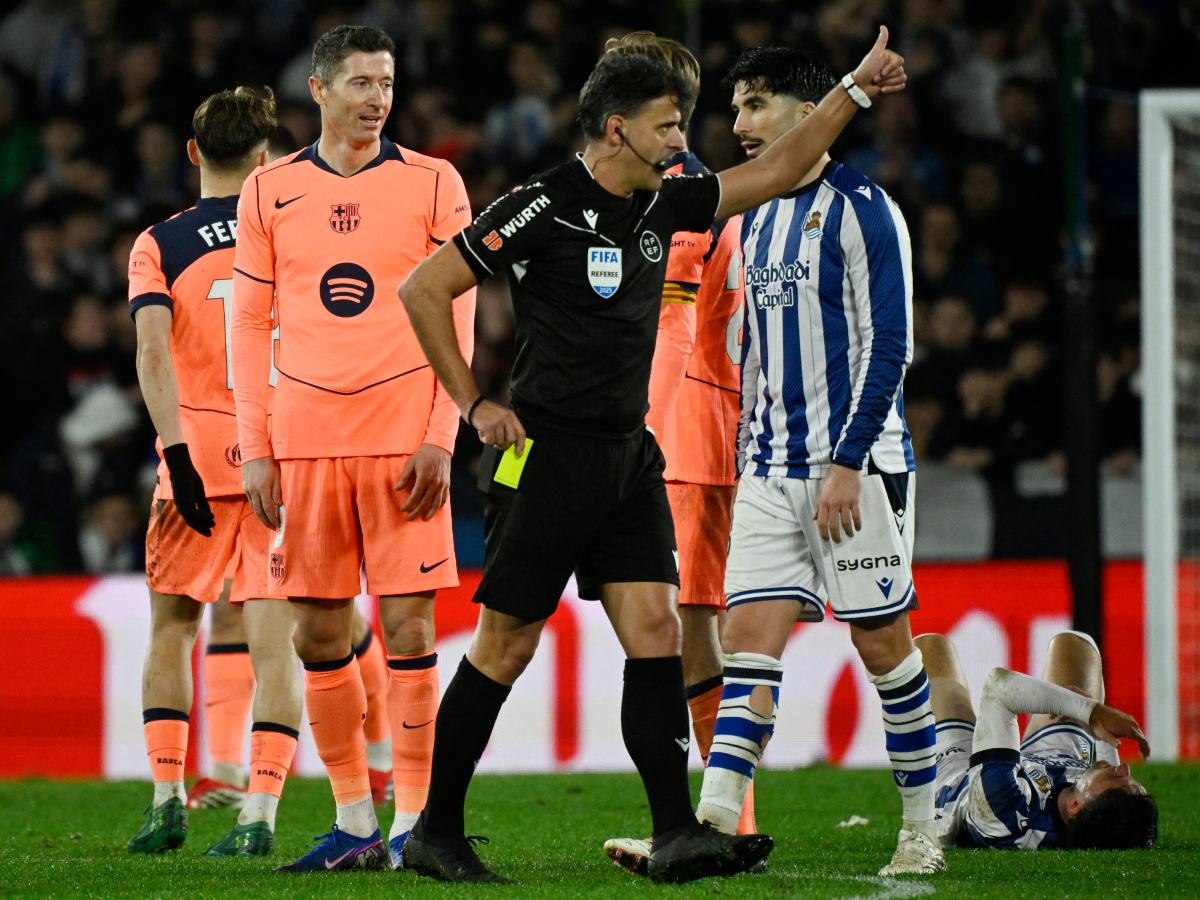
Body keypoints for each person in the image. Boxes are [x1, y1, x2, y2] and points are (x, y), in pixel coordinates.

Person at [398, 29, 907, 884]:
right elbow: (424, 288)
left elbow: (777, 171)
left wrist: (852, 90)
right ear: (615, 129)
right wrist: (474, 404)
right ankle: (434, 830)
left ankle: (676, 829)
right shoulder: (542, 204)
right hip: (544, 457)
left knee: (655, 632)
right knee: (505, 647)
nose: (683, 141)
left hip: (628, 458)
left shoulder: (665, 202)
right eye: (668, 126)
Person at [230, 24, 475, 873]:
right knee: (319, 636)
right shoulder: (269, 192)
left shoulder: (435, 182)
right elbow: (248, 322)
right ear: (320, 88)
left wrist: (445, 431)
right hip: (303, 443)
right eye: (362, 82)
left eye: (388, 83)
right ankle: (353, 822)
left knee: (408, 625)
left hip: (405, 437)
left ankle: (413, 820)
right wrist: (252, 447)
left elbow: (460, 312)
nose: (378, 98)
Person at [691, 46, 938, 877]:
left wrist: (846, 460)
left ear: (808, 110)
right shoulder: (750, 216)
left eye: (756, 105)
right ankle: (715, 822)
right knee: (748, 645)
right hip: (769, 467)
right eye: (736, 107)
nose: (739, 125)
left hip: (855, 469)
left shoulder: (867, 210)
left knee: (883, 649)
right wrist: (745, 454)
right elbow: (750, 350)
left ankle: (921, 829)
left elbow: (889, 345)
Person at [188, 126, 395, 815]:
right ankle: (222, 768)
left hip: (304, 438)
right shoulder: (245, 238)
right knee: (236, 607)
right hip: (239, 439)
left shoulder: (316, 241)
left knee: (309, 614)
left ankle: (378, 754)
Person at [126, 87, 302, 858]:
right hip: (278, 465)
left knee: (171, 630)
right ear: (264, 158)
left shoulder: (157, 243)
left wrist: (174, 453)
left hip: (192, 464)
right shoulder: (290, 237)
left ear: (193, 153)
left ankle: (167, 798)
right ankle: (259, 814)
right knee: (276, 646)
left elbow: (151, 353)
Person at [595, 31, 755, 876]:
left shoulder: (679, 192)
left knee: (686, 630)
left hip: (677, 436)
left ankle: (715, 818)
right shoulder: (672, 187)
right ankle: (707, 815)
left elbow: (674, 324)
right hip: (698, 431)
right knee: (689, 628)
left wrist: (638, 434)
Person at [918, 630, 1158, 850]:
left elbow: (998, 688)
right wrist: (1102, 735)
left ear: (1076, 806)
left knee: (929, 649)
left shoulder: (1008, 813)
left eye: (1119, 780)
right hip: (1051, 766)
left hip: (961, 782)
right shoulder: (1081, 804)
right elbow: (1111, 806)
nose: (1125, 768)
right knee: (1074, 647)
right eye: (1131, 780)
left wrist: (1092, 711)